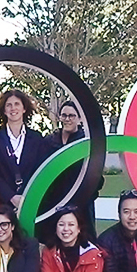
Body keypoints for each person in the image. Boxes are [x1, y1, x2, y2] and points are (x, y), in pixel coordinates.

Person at [0, 89, 51, 211]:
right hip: (1, 204)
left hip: (30, 202)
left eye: (17, 104)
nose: (13, 108)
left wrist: (27, 197)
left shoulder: (36, 138)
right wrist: (11, 197)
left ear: (24, 108)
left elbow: (40, 170)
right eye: (9, 105)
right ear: (4, 110)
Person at [42, 101, 101, 238]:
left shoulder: (87, 142)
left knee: (83, 238)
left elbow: (96, 174)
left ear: (79, 118)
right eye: (64, 115)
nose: (67, 119)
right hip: (55, 201)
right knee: (55, 239)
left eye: (72, 116)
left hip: (81, 202)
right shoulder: (50, 141)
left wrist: (86, 194)